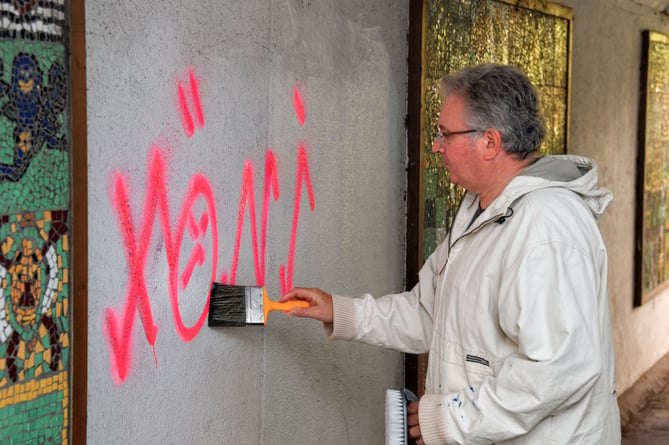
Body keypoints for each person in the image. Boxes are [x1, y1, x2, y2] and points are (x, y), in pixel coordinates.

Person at [280, 64, 621, 444]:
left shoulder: (546, 227)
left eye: (445, 134)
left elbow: (557, 371)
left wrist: (448, 422)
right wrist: (341, 311)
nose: (436, 145)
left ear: (490, 142)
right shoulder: (481, 210)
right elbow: (431, 311)